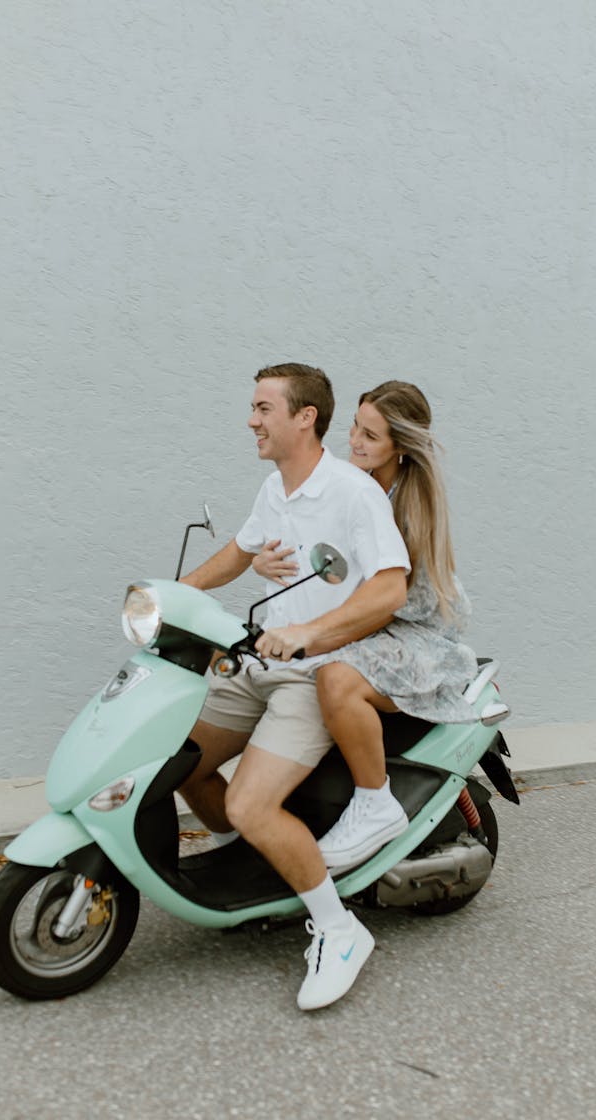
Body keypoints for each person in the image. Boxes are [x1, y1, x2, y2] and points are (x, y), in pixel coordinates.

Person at [178, 363, 410, 1010]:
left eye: (262, 408)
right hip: (258, 662)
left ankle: (338, 930)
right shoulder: (275, 486)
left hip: (307, 676)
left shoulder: (351, 491)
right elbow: (239, 549)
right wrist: (174, 595)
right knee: (181, 761)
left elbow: (389, 586)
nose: (251, 419)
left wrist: (311, 632)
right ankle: (249, 863)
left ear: (305, 417)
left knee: (253, 803)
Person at [253, 380, 478, 871]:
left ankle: (375, 802)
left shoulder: (407, 503)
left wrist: (316, 634)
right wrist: (264, 567)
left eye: (371, 436)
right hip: (374, 624)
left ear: (399, 444)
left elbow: (382, 599)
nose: (354, 440)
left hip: (413, 634)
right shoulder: (350, 483)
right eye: (355, 426)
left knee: (334, 679)